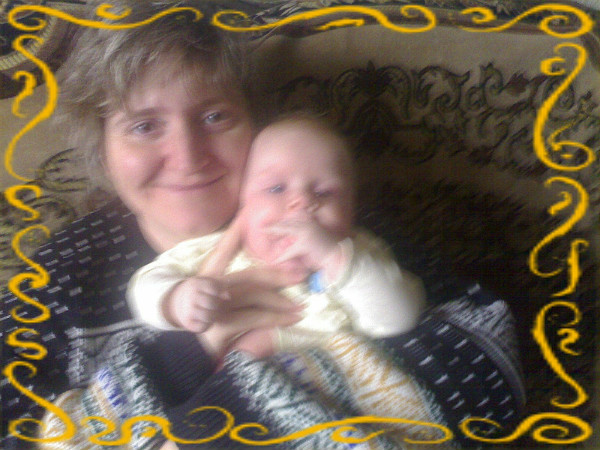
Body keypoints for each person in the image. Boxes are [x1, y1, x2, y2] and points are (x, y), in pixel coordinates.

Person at [1, 1, 525, 449]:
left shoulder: (333, 226)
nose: (188, 156)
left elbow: (489, 359)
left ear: (256, 126)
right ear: (102, 151)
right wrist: (186, 354)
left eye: (215, 117)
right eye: (143, 126)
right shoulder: (61, 276)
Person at [128, 114, 427, 358]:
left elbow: (400, 318)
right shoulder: (212, 250)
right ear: (243, 204)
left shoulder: (360, 256)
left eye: (325, 192)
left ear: (352, 210)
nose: (301, 203)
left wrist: (334, 258)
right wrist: (176, 300)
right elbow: (145, 285)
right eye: (275, 189)